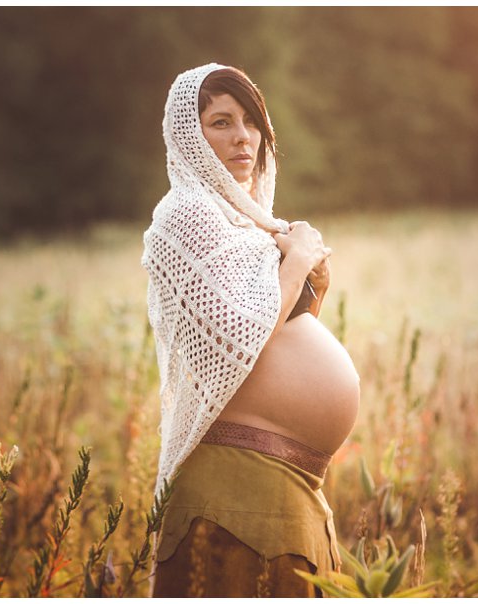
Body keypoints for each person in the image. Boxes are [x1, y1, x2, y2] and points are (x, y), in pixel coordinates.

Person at [141, 63, 361, 597]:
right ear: (189, 138)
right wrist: (297, 260)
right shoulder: (185, 213)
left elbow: (276, 340)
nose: (243, 136)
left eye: (251, 120)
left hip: (287, 480)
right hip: (235, 484)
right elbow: (238, 338)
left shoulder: (248, 224)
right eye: (220, 122)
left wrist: (315, 283)